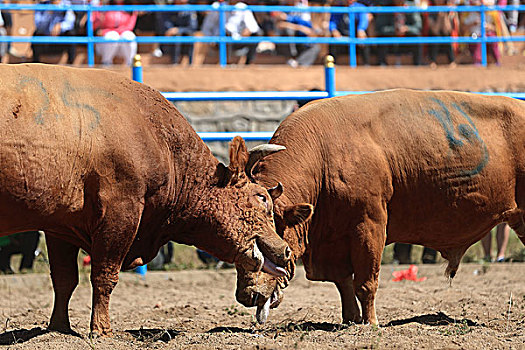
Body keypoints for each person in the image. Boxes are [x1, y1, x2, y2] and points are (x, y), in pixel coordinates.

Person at [201, 0, 261, 64]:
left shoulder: (242, 7)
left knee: (257, 35)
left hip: (237, 38)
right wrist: (211, 39)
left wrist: (248, 30)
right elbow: (206, 28)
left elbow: (254, 27)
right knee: (226, 34)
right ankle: (225, 63)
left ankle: (249, 63)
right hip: (219, 39)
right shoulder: (217, 6)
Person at [375, 0, 423, 66]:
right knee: (382, 37)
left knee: (417, 38)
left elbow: (418, 26)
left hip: (406, 38)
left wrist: (407, 28)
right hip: (391, 39)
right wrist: (394, 29)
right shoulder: (387, 7)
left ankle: (418, 64)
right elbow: (380, 28)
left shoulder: (411, 6)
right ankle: (382, 64)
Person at [93, 0, 137, 66]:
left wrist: (106, 31)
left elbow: (129, 27)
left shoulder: (131, 8)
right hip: (106, 42)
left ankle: (130, 63)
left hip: (122, 43)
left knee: (129, 36)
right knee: (112, 36)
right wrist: (97, 12)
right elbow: (94, 26)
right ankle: (106, 63)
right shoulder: (104, 6)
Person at [328, 0, 370, 65]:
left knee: (364, 40)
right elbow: (333, 21)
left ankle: (366, 64)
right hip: (342, 33)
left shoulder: (360, 7)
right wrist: (334, 30)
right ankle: (333, 64)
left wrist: (361, 29)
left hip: (356, 33)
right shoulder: (339, 7)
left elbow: (363, 20)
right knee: (333, 41)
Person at [157, 0, 198, 64]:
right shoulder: (167, 9)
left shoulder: (190, 9)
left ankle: (190, 63)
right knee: (176, 35)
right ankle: (174, 63)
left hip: (184, 41)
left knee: (189, 35)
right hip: (169, 43)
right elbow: (167, 30)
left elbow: (193, 27)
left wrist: (179, 30)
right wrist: (175, 31)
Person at [463, 0, 501, 65]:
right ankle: (478, 61)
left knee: (493, 38)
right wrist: (473, 24)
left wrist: (489, 26)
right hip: (474, 34)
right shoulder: (470, 14)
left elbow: (495, 28)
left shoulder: (490, 14)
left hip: (487, 33)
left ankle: (496, 59)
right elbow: (464, 28)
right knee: (476, 39)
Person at [426, 0, 458, 67]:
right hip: (435, 34)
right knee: (436, 38)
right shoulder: (431, 10)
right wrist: (439, 17)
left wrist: (445, 17)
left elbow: (448, 30)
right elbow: (434, 30)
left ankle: (452, 61)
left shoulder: (450, 11)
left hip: (445, 33)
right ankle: (432, 62)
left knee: (447, 38)